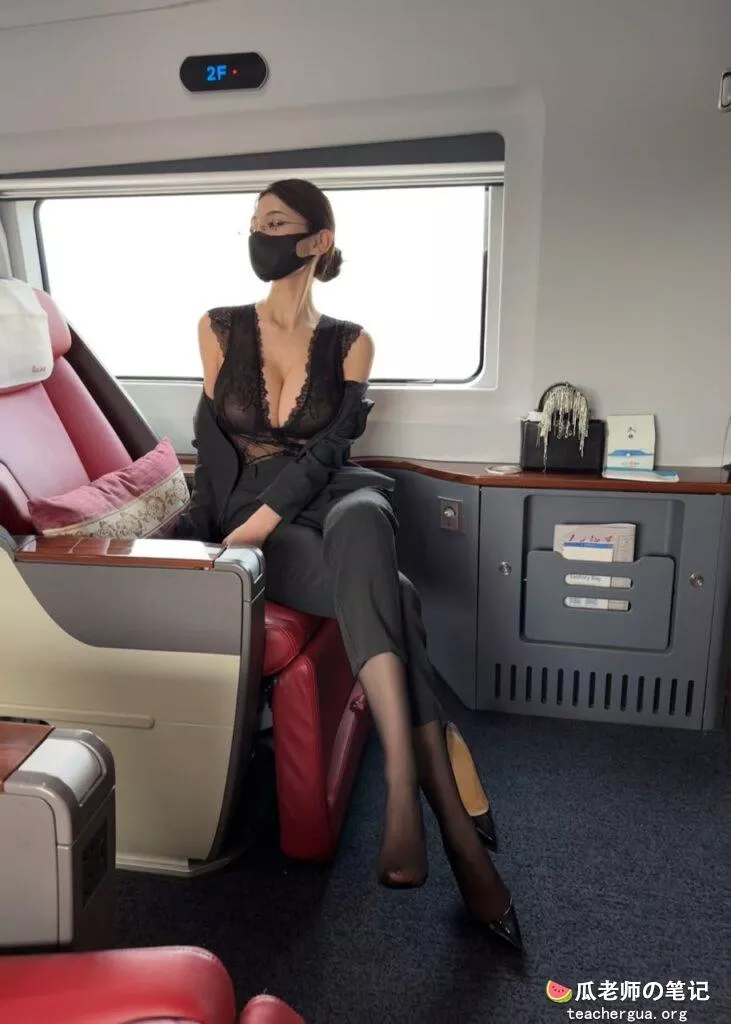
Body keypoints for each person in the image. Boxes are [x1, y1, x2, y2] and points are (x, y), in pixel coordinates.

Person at [187, 179, 521, 951]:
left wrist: (266, 518)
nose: (259, 234)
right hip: (255, 520)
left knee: (367, 513)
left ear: (317, 241)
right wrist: (221, 535)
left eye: (276, 222)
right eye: (253, 222)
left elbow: (333, 450)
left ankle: (402, 782)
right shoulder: (217, 326)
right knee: (395, 596)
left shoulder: (351, 341)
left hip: (325, 497)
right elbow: (211, 443)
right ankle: (452, 829)